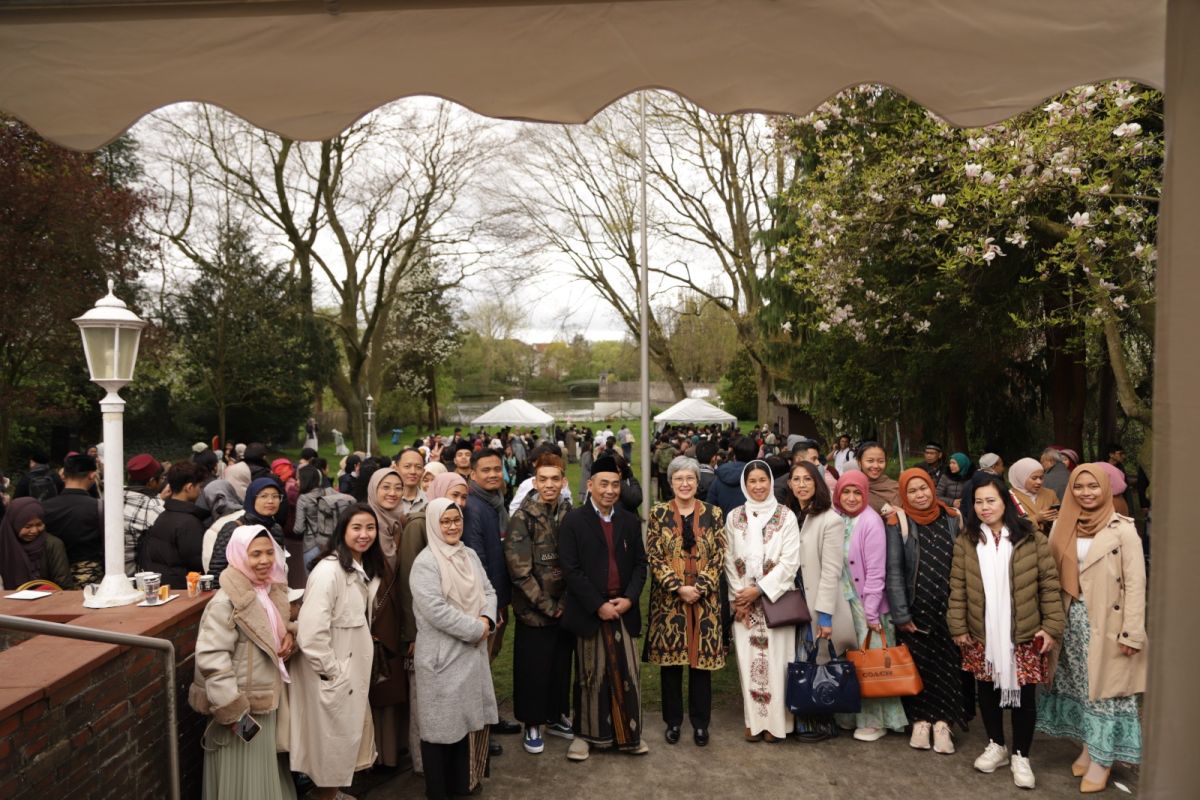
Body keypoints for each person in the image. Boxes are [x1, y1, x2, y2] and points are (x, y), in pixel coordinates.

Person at [948, 474, 1064, 790]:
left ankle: (1020, 755)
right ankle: (996, 744)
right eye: (979, 501)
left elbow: (1049, 585)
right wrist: (958, 626)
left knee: (1025, 696)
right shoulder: (967, 540)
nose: (985, 508)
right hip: (981, 633)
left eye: (991, 500)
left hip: (1024, 633)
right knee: (986, 691)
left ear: (1005, 501)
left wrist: (1052, 627)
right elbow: (957, 587)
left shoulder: (1031, 537)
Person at [1037, 465, 1146, 793]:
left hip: (1108, 625)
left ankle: (1103, 760)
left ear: (1105, 489)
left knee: (1106, 696)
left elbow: (1136, 583)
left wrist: (1132, 632)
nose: (1086, 492)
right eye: (1079, 486)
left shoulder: (1122, 528)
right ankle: (1089, 747)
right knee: (1083, 692)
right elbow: (1050, 574)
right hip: (1070, 622)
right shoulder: (1061, 524)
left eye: (1093, 486)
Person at [190, 524, 297, 800]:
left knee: (263, 772)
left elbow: (273, 634)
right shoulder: (226, 601)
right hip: (242, 706)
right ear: (238, 555)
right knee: (244, 776)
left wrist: (289, 638)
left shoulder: (270, 591)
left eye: (268, 553)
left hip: (265, 699)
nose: (264, 561)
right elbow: (211, 658)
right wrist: (233, 711)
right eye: (255, 554)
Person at [558, 454, 649, 761]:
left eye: (615, 484)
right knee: (590, 675)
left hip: (622, 607)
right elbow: (571, 569)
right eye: (603, 484)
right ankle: (584, 735)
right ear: (590, 485)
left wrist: (629, 599)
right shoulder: (574, 521)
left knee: (627, 673)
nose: (610, 490)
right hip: (590, 610)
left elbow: (640, 565)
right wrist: (597, 605)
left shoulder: (629, 520)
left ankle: (629, 735)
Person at [290, 504, 383, 799]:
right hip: (333, 672)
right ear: (342, 531)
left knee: (340, 740)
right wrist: (333, 672)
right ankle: (324, 795)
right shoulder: (329, 571)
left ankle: (330, 793)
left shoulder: (357, 567)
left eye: (370, 528)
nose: (364, 534)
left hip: (347, 671)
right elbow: (312, 631)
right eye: (357, 528)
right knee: (329, 741)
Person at [411, 497, 500, 799]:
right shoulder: (425, 563)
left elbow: (488, 589)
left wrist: (487, 617)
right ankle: (438, 791)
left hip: (470, 656)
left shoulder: (469, 554)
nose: (452, 526)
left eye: (456, 520)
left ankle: (462, 785)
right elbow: (436, 611)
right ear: (433, 524)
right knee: (439, 732)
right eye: (445, 521)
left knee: (462, 726)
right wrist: (477, 629)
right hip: (443, 658)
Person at [644, 456, 725, 747]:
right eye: (679, 478)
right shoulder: (658, 513)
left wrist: (700, 587)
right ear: (671, 482)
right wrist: (678, 587)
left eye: (690, 478)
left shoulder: (714, 513)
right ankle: (673, 722)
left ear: (697, 481)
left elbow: (719, 554)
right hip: (670, 602)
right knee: (671, 665)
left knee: (700, 665)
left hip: (705, 602)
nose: (685, 483)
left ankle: (701, 724)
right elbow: (654, 555)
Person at [884, 468, 965, 753]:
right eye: (912, 491)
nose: (920, 495)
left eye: (924, 488)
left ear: (933, 488)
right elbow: (893, 571)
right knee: (918, 665)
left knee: (947, 666)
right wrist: (902, 613)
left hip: (950, 607)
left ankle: (943, 724)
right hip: (916, 608)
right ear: (904, 495)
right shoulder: (898, 522)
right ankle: (919, 721)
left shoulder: (952, 519)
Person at [398, 470, 469, 777]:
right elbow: (409, 583)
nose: (460, 503)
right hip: (427, 631)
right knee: (427, 704)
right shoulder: (419, 526)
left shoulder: (454, 528)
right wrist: (411, 634)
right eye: (454, 495)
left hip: (457, 632)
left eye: (464, 497)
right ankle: (426, 766)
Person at [503, 453, 575, 755]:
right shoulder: (522, 517)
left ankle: (556, 715)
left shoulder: (570, 512)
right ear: (534, 482)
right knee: (533, 669)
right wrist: (548, 605)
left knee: (560, 666)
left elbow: (577, 561)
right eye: (543, 479)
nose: (549, 484)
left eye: (554, 479)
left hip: (565, 606)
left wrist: (567, 602)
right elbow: (519, 571)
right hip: (534, 611)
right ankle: (532, 723)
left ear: (563, 481)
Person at [725, 459, 801, 742]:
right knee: (749, 662)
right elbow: (728, 560)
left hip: (776, 601)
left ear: (771, 482)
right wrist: (740, 597)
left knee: (778, 662)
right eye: (752, 481)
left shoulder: (786, 516)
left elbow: (790, 562)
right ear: (745, 484)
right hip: (745, 605)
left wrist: (760, 590)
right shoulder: (734, 517)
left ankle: (777, 723)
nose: (758, 486)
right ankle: (753, 721)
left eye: (763, 480)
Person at [831, 470, 908, 740]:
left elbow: (877, 572)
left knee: (872, 663)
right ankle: (851, 714)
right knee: (851, 661)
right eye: (846, 492)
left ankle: (876, 720)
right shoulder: (837, 518)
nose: (851, 498)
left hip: (867, 605)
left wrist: (871, 610)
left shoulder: (870, 522)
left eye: (857, 493)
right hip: (844, 603)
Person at [785, 461, 856, 740]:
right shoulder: (790, 515)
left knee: (819, 661)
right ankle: (801, 718)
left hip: (816, 600)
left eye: (807, 479)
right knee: (799, 660)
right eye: (796, 479)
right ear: (789, 484)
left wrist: (825, 614)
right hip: (792, 599)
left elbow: (831, 571)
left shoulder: (830, 519)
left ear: (817, 483)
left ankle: (820, 723)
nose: (801, 484)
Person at [463, 448, 519, 746]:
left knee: (488, 664)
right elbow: (476, 559)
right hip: (485, 603)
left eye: (497, 469)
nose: (493, 474)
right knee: (478, 666)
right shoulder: (473, 507)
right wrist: (489, 606)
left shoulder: (495, 503)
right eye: (486, 470)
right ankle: (480, 729)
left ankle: (488, 718)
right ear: (473, 473)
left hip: (500, 596)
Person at [139, 462, 208, 589]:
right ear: (189, 487)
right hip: (183, 589)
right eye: (199, 486)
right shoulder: (189, 522)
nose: (201, 490)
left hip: (164, 585)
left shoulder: (162, 515)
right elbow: (198, 562)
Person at [40, 453, 102, 586]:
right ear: (92, 475)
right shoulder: (98, 507)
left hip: (52, 576)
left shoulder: (44, 507)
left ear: (63, 475)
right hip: (89, 578)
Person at [209, 478, 287, 582]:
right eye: (263, 496)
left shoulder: (276, 528)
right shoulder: (233, 528)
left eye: (275, 496)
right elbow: (216, 571)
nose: (270, 501)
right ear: (251, 499)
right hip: (239, 593)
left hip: (270, 592)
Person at [0, 497, 73, 589]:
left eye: (39, 525)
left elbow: (64, 583)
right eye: (28, 526)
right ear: (14, 525)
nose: (34, 531)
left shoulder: (52, 544)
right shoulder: (4, 545)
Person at [123, 453, 165, 576]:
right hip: (139, 578)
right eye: (161, 478)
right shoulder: (155, 508)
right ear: (151, 481)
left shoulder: (110, 499)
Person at [707, 436, 759, 517]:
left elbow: (710, 509)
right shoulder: (762, 480)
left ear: (734, 455)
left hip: (725, 526)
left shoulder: (718, 479)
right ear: (756, 455)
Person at [1008, 457, 1060, 533]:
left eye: (1041, 478)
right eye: (1034, 478)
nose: (1039, 482)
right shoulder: (1009, 496)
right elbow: (1009, 524)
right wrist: (1037, 518)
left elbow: (1061, 518)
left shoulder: (1050, 494)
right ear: (1022, 477)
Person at [858, 441, 899, 515]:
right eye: (870, 461)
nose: (876, 466)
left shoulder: (895, 487)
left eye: (881, 461)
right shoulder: (853, 487)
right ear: (859, 462)